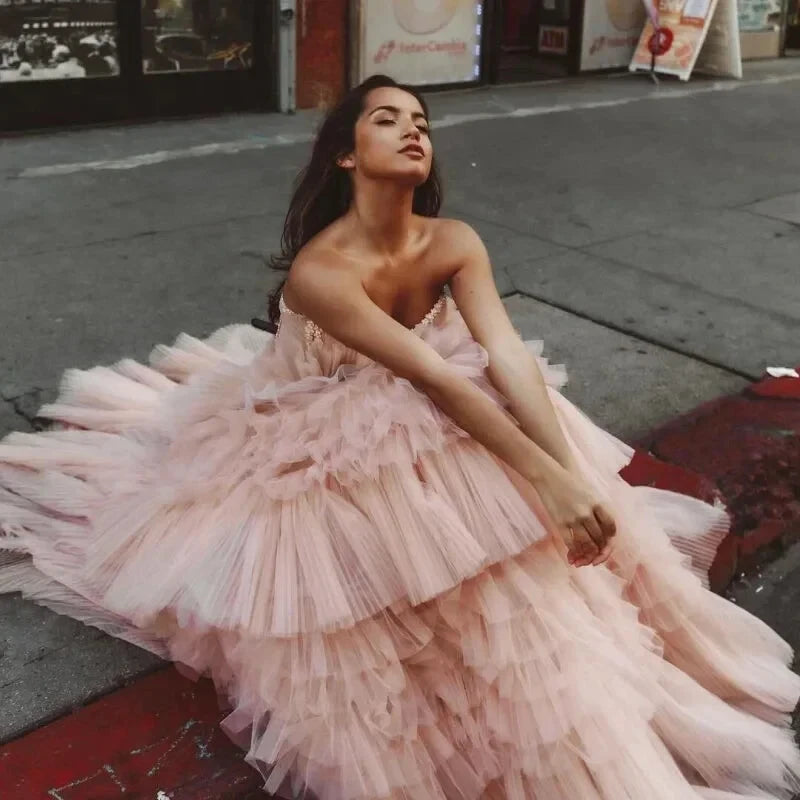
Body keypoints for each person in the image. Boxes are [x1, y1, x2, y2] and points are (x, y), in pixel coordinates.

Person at [0, 74, 799, 800]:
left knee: (550, 500)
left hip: (422, 393)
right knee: (413, 539)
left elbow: (506, 357)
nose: (415, 130)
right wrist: (547, 486)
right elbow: (438, 380)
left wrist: (570, 473)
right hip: (319, 420)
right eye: (388, 120)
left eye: (422, 119)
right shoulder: (322, 270)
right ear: (347, 155)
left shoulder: (453, 239)